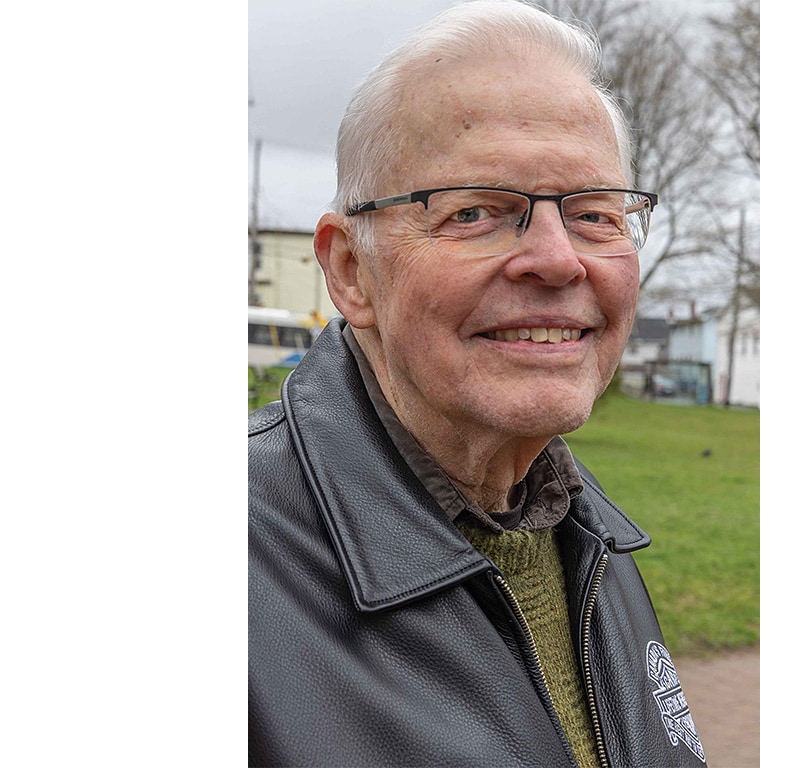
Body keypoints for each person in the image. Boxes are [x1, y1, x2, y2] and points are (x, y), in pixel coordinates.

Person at [248, 1, 706, 765]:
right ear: (351, 272)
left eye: (595, 214)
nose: (560, 261)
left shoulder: (587, 539)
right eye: (476, 213)